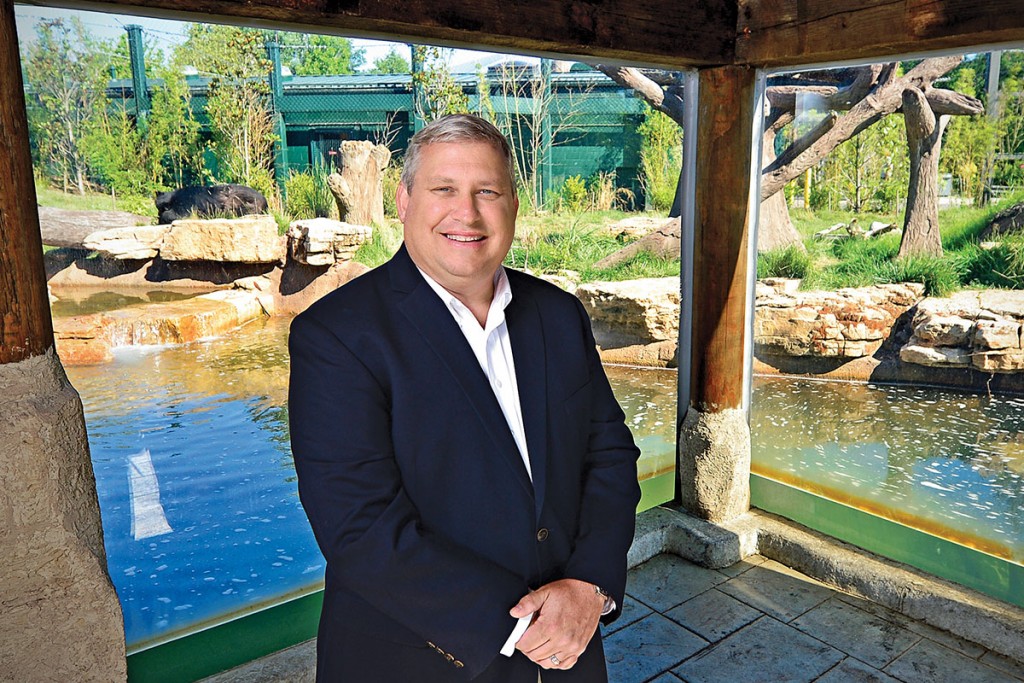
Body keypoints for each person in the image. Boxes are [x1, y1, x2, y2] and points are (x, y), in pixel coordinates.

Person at [288, 113, 640, 682]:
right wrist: (521, 626)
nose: (467, 213)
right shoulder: (336, 335)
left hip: (568, 649)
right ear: (403, 200)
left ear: (514, 205)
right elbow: (361, 526)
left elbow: (609, 457)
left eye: (487, 192)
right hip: (419, 659)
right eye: (443, 189)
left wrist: (591, 586)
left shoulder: (558, 314)